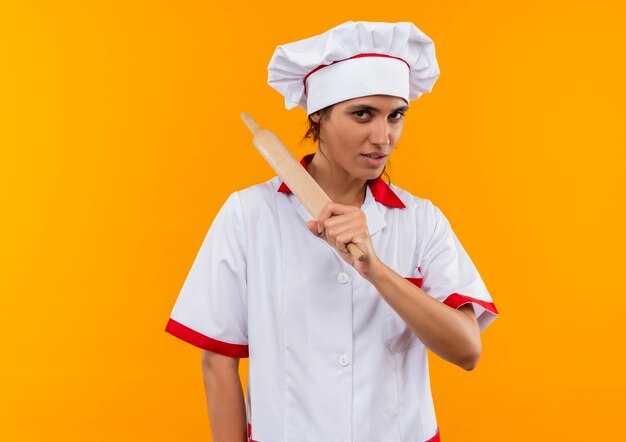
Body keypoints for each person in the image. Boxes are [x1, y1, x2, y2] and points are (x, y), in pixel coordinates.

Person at [165, 21, 498, 442]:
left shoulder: (421, 220)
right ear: (318, 117)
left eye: (396, 115)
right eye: (362, 114)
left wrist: (374, 268)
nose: (383, 137)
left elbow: (467, 351)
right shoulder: (250, 214)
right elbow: (217, 361)